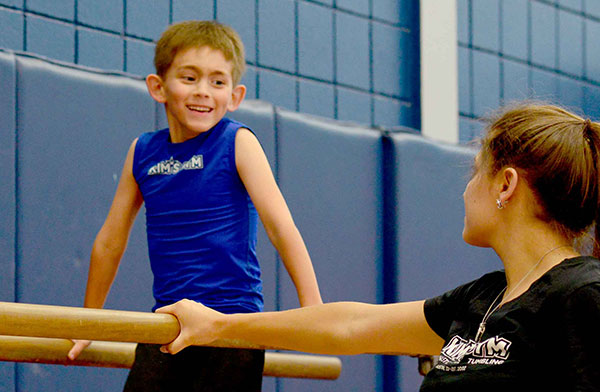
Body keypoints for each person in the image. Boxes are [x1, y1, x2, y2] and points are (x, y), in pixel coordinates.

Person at [157, 103, 600, 391]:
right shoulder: (481, 299)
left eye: (475, 172)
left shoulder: (582, 294)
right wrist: (216, 325)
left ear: (506, 184)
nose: (466, 191)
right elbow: (351, 325)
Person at [67, 20, 322, 391]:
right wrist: (88, 321)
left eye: (217, 82)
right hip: (168, 322)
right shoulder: (143, 152)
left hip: (231, 324)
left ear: (234, 96)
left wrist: (312, 307)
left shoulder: (237, 142)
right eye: (189, 78)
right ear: (158, 87)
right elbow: (109, 241)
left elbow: (280, 227)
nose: (203, 92)